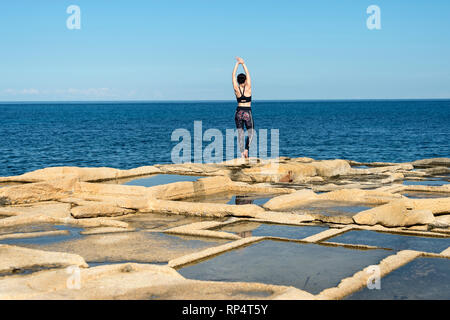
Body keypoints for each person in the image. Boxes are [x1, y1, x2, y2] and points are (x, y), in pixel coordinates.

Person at [232, 57, 254, 159]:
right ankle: (246, 150)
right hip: (247, 113)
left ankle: (241, 154)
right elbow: (249, 75)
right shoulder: (248, 87)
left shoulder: (236, 89)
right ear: (245, 80)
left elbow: (232, 76)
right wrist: (243, 63)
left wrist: (237, 64)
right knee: (251, 131)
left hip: (238, 112)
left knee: (240, 133)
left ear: (237, 81)